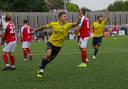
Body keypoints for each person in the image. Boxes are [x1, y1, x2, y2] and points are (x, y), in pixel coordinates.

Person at [34, 12, 80, 78]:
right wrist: (35, 30)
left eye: (66, 16)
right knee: (48, 54)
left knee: (49, 60)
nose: (66, 18)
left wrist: (79, 19)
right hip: (51, 42)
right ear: (60, 17)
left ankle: (41, 65)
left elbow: (76, 24)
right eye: (64, 16)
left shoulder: (68, 25)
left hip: (58, 46)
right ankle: (41, 69)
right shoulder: (53, 24)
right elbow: (44, 27)